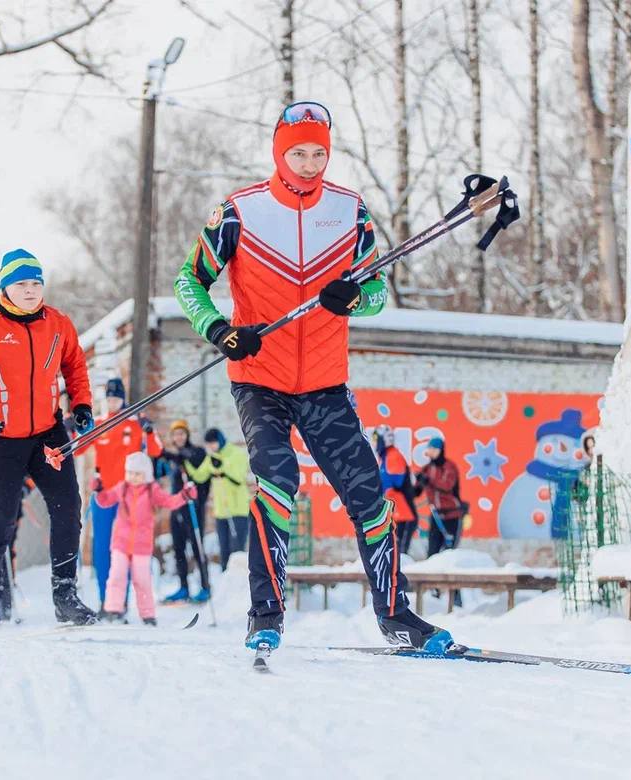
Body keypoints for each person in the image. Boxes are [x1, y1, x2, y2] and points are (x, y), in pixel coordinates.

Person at [172, 100, 451, 654]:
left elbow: (377, 292)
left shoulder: (350, 211)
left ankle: (396, 617)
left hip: (325, 382)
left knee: (370, 495)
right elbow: (189, 282)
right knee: (278, 481)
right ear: (279, 153)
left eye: (318, 154)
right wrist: (220, 330)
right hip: (260, 378)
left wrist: (355, 299)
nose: (307, 163)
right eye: (297, 153)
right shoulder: (239, 212)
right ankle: (265, 615)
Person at [0, 247, 97, 638]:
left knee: (68, 508)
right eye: (21, 284)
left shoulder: (59, 324)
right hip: (1, 437)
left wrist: (81, 405)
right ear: (5, 288)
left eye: (36, 283)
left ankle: (65, 595)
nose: (30, 290)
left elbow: (75, 367)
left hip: (48, 435)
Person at [73, 377, 162, 608]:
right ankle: (106, 601)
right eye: (109, 399)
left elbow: (155, 450)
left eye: (116, 398)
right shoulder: (99, 424)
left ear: (123, 399)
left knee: (126, 549)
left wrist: (149, 430)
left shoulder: (135, 424)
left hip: (129, 498)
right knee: (102, 548)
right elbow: (77, 450)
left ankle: (123, 601)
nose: (112, 402)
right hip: (104, 496)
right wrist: (74, 428)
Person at [95, 452, 197, 625]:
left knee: (142, 580)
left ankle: (147, 614)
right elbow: (105, 501)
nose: (133, 477)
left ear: (147, 475)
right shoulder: (122, 487)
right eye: (130, 473)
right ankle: (113, 610)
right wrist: (99, 490)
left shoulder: (152, 490)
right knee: (117, 576)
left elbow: (170, 502)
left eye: (138, 474)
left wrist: (185, 495)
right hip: (121, 542)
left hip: (141, 545)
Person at [158, 420, 212, 603]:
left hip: (193, 507)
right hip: (177, 507)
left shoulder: (197, 452)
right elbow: (165, 467)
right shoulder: (175, 459)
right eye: (176, 434)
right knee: (178, 548)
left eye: (182, 433)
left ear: (187, 435)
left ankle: (205, 587)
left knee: (197, 547)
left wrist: (173, 456)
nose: (179, 437)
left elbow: (193, 462)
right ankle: (183, 588)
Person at [187, 428, 250, 571]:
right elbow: (199, 476)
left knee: (237, 551)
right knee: (224, 550)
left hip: (238, 510)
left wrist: (223, 465)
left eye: (213, 443)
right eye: (208, 444)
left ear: (220, 440)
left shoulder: (236, 453)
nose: (211, 447)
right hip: (221, 511)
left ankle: (238, 579)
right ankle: (225, 580)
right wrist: (187, 464)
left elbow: (239, 478)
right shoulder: (212, 457)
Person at [373, 425, 419, 555]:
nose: (374, 442)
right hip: (398, 512)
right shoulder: (386, 456)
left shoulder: (393, 456)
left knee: (400, 553)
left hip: (404, 513)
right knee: (395, 551)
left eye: (376, 438)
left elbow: (395, 483)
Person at [415, 434, 464, 557]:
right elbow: (416, 492)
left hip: (451, 515)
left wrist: (428, 481)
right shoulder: (427, 469)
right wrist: (414, 482)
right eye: (429, 449)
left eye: (434, 449)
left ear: (440, 450)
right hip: (436, 515)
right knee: (432, 551)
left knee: (449, 552)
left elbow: (447, 486)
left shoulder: (449, 467)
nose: (431, 452)